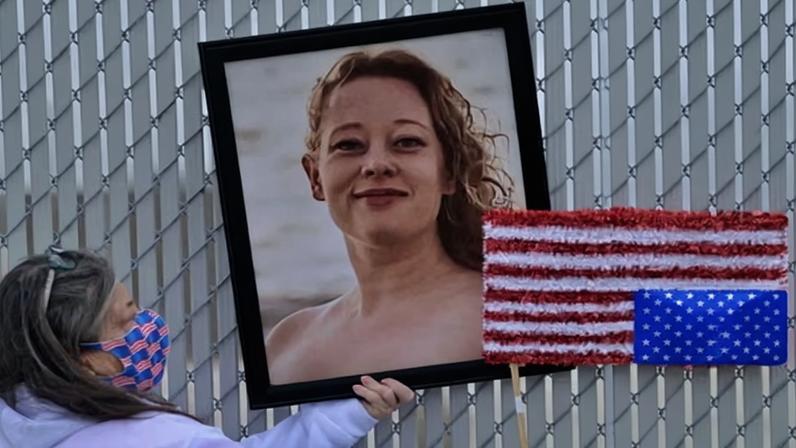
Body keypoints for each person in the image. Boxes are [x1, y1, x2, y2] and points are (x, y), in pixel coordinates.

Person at [265, 49, 514, 385]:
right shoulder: (286, 346)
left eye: (407, 142)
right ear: (315, 177)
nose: (375, 164)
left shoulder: (506, 316)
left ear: (450, 171)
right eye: (349, 145)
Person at [0, 249, 414, 447]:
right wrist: (347, 415)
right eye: (126, 318)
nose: (146, 323)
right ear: (83, 359)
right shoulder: (156, 439)